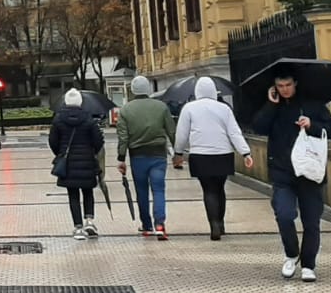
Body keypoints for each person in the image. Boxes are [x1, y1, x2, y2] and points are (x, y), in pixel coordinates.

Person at [252, 66, 331, 282]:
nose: (284, 90)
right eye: (280, 86)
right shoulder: (273, 106)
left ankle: (309, 265)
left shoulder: (312, 104)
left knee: (311, 221)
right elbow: (258, 128)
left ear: (296, 83)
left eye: (288, 85)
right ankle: (291, 254)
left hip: (309, 172)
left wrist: (312, 125)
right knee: (284, 214)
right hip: (282, 172)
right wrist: (270, 105)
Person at [173, 76, 253, 240]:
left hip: (200, 155)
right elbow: (234, 132)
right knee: (220, 188)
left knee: (208, 189)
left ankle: (213, 224)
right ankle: (221, 223)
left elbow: (181, 134)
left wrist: (178, 152)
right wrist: (245, 152)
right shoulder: (224, 109)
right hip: (223, 154)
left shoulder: (189, 108)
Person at [116, 75, 174, 239]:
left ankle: (147, 225)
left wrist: (121, 158)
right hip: (158, 155)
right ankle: (160, 225)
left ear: (133, 90)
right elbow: (171, 131)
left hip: (137, 157)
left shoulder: (125, 110)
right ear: (148, 89)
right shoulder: (161, 107)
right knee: (158, 189)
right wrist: (178, 152)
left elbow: (123, 137)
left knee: (141, 191)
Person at [50, 87, 105, 239]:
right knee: (88, 191)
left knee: (73, 195)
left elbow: (53, 142)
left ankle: (78, 228)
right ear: (80, 102)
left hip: (68, 164)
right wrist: (91, 152)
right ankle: (89, 221)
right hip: (87, 161)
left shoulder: (58, 120)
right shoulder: (89, 119)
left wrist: (61, 154)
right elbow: (98, 141)